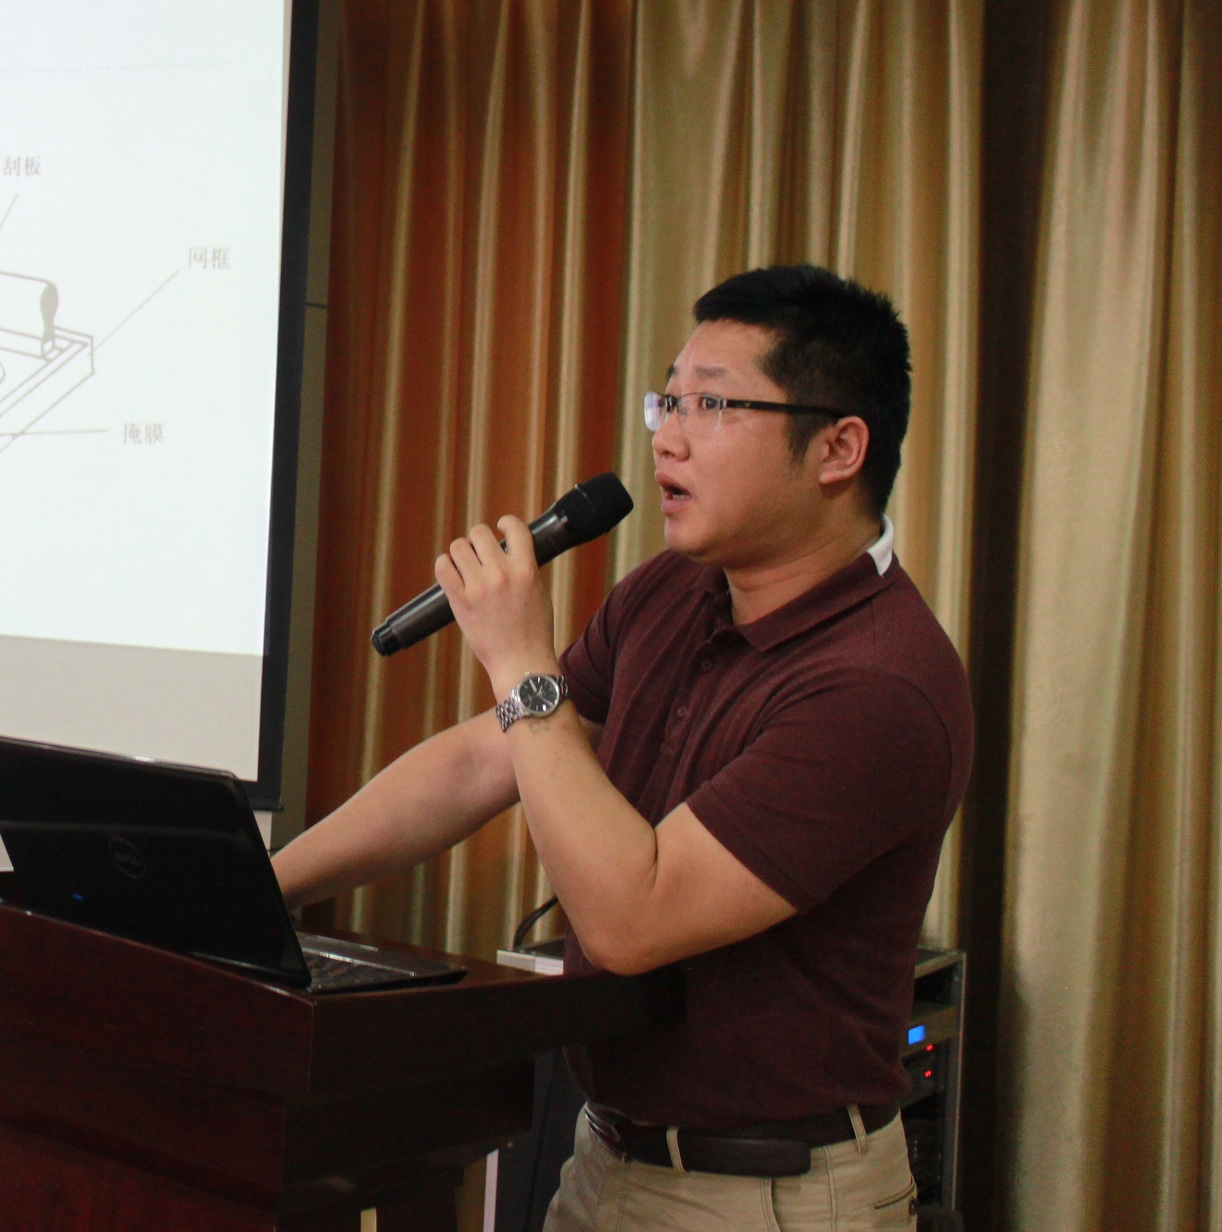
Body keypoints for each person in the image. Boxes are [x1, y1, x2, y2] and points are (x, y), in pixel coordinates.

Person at [273, 264, 972, 1232]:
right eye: (667, 401)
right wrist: (267, 886)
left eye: (713, 405)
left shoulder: (879, 685)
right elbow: (482, 761)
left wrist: (521, 661)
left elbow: (630, 920)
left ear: (839, 448)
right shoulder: (673, 591)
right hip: (607, 1159)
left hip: (772, 1196)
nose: (666, 437)